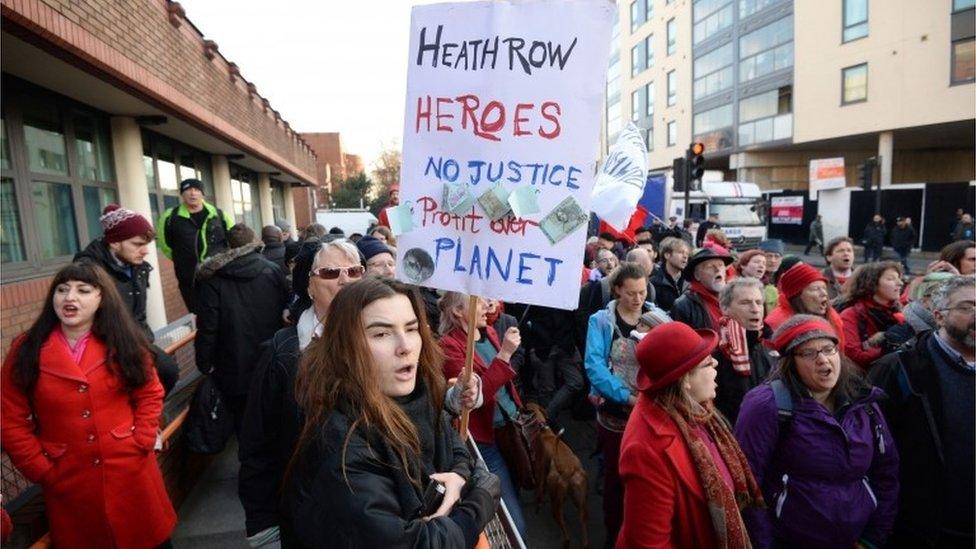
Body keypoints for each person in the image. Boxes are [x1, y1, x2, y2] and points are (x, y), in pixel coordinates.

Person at [281, 277, 500, 548]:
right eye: (381, 333)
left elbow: (455, 448)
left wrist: (458, 478)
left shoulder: (420, 395)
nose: (405, 346)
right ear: (346, 347)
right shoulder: (342, 444)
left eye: (411, 328)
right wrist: (479, 503)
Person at [1, 261, 176, 548]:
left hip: (131, 471)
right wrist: (41, 468)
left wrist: (142, 438)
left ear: (101, 298)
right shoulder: (26, 349)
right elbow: (10, 418)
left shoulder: (123, 341)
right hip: (68, 480)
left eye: (83, 290)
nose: (70, 297)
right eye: (62, 289)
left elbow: (149, 392)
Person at [735, 315, 899, 548]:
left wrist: (873, 538)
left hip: (857, 539)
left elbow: (887, 473)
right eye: (809, 353)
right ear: (790, 361)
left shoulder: (863, 402)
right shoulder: (767, 405)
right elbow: (748, 484)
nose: (823, 360)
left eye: (829, 349)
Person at [238, 238, 364, 542]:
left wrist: (454, 399)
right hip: (310, 520)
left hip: (374, 518)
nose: (345, 280)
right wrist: (263, 528)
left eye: (355, 271)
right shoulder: (284, 352)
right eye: (332, 273)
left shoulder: (385, 338)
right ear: (309, 286)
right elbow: (257, 445)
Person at [617, 322, 763, 548]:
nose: (716, 363)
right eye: (707, 362)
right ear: (684, 380)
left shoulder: (694, 408)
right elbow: (648, 543)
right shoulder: (645, 450)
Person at [870, 276, 975, 548]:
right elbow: (872, 453)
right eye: (967, 307)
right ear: (939, 316)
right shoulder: (899, 369)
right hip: (920, 527)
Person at [583, 263, 671, 545]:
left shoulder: (659, 318)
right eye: (631, 293)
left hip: (653, 409)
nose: (637, 299)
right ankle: (614, 534)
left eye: (642, 292)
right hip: (616, 412)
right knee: (616, 478)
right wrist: (627, 397)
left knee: (650, 478)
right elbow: (594, 365)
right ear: (617, 290)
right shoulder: (601, 321)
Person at [438, 292, 527, 538]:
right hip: (484, 440)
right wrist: (505, 355)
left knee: (517, 489)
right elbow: (473, 399)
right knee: (512, 521)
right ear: (458, 310)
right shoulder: (449, 346)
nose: (490, 304)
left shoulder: (489, 332)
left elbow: (504, 383)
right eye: (481, 299)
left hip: (509, 429)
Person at [74, 204, 179, 395]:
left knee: (168, 371)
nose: (145, 251)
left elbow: (139, 317)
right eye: (138, 244)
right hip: (106, 351)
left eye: (146, 244)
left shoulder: (138, 266)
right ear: (114, 242)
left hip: (136, 343)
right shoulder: (87, 272)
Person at [195, 224, 289, 432]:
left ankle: (247, 457)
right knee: (272, 418)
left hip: (232, 365)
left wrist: (204, 362)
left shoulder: (213, 278)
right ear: (255, 242)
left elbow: (208, 326)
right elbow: (286, 310)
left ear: (228, 247)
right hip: (270, 357)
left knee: (243, 423)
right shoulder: (272, 271)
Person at [157, 178, 234, 312]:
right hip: (189, 278)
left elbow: (233, 240)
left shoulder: (219, 215)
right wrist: (183, 260)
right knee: (201, 314)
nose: (193, 193)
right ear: (182, 194)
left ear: (202, 194)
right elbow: (165, 246)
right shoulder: (170, 217)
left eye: (197, 190)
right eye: (188, 190)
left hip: (219, 274)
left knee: (225, 310)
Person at [713, 277, 776, 423]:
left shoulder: (772, 346)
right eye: (745, 303)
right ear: (725, 308)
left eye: (759, 303)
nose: (755, 309)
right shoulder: (717, 351)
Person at [838, 261, 905, 370]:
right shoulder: (850, 315)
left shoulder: (900, 314)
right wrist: (889, 347)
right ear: (871, 284)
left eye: (899, 278)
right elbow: (853, 356)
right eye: (891, 279)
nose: (900, 283)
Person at [765, 262, 846, 342]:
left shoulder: (833, 317)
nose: (824, 293)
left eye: (824, 288)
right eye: (816, 289)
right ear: (797, 296)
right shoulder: (777, 324)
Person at [885, 272, 953, 349]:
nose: (948, 301)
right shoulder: (898, 333)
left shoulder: (959, 327)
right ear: (924, 298)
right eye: (940, 295)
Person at [671, 247, 733, 331]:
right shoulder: (683, 305)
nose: (718, 270)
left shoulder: (734, 298)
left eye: (721, 265)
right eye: (710, 266)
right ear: (697, 275)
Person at [650, 236, 689, 312]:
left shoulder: (690, 282)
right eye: (680, 252)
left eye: (687, 253)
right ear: (667, 255)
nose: (685, 256)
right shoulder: (654, 283)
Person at [823, 236, 856, 301]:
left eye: (849, 250)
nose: (846, 254)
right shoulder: (820, 279)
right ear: (829, 257)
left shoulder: (863, 279)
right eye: (841, 251)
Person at [758, 239, 785, 313]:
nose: (773, 260)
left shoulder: (785, 278)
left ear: (781, 260)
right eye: (769, 256)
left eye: (777, 256)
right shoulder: (755, 278)